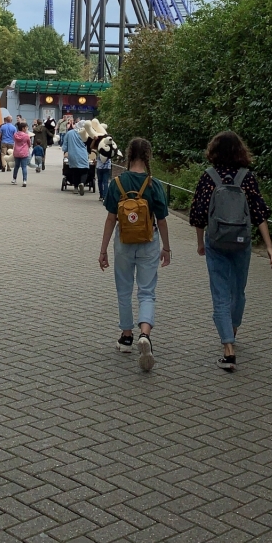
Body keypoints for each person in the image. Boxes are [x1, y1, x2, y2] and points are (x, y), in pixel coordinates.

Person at [189, 130, 272, 372]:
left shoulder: (208, 178)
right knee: (238, 291)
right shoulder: (247, 178)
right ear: (240, 151)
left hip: (215, 242)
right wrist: (269, 246)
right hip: (241, 242)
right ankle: (233, 327)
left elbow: (197, 214)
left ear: (213, 151)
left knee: (220, 293)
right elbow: (259, 212)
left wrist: (199, 242)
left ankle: (228, 348)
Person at [99, 137, 171, 371]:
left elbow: (111, 218)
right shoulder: (153, 184)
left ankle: (126, 337)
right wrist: (167, 248)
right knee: (147, 291)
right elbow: (162, 220)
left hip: (123, 242)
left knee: (124, 289)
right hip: (149, 242)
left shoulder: (117, 183)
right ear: (148, 156)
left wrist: (103, 250)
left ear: (129, 155)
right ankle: (145, 334)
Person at [61, 123, 89, 194]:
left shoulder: (69, 133)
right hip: (83, 154)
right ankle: (82, 183)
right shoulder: (85, 134)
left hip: (73, 154)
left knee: (75, 171)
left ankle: (76, 188)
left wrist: (65, 151)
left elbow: (65, 146)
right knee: (84, 170)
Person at [12, 121, 32, 186]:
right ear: (23, 128)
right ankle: (24, 181)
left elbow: (14, 141)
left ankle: (14, 179)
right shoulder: (26, 136)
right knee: (24, 167)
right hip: (24, 153)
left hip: (16, 152)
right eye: (26, 127)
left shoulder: (15, 135)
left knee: (16, 166)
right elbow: (29, 144)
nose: (26, 129)